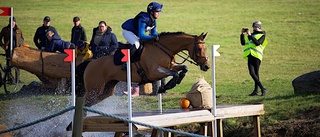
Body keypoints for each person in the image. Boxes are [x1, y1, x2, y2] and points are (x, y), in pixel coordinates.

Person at [240, 20, 269, 96]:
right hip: (250, 55)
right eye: (253, 26)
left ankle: (262, 89)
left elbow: (257, 43)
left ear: (258, 27)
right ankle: (257, 91)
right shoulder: (251, 35)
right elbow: (243, 43)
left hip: (256, 56)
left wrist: (250, 35)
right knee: (253, 74)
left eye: (255, 26)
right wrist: (242, 34)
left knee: (254, 73)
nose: (253, 28)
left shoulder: (262, 35)